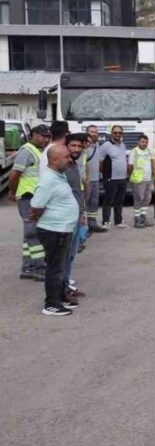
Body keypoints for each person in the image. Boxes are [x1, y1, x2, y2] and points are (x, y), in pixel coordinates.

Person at [29, 145, 81, 316]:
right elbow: (36, 205)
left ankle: (60, 297)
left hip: (62, 229)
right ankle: (51, 304)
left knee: (60, 266)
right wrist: (41, 214)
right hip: (54, 231)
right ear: (54, 160)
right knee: (55, 269)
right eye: (65, 157)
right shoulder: (48, 180)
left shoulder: (59, 175)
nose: (69, 159)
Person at [11, 124, 50, 280]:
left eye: (47, 136)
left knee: (29, 235)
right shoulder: (26, 151)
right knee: (33, 233)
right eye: (42, 136)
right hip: (28, 197)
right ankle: (39, 269)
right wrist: (12, 192)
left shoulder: (36, 151)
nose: (45, 139)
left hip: (34, 196)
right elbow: (14, 175)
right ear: (33, 134)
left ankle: (27, 268)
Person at [61, 133, 87, 304]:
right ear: (66, 146)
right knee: (63, 256)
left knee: (70, 255)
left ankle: (66, 286)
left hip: (76, 215)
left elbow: (78, 191)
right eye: (73, 146)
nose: (77, 149)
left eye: (79, 146)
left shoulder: (75, 165)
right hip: (64, 217)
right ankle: (61, 292)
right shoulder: (62, 166)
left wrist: (82, 212)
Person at [100, 125, 129, 228]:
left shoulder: (123, 145)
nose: (117, 134)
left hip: (122, 178)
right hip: (111, 178)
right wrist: (105, 174)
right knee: (108, 201)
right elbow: (101, 161)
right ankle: (106, 222)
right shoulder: (106, 146)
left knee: (119, 201)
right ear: (112, 133)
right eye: (115, 132)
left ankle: (118, 221)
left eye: (120, 133)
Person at [81, 125, 107, 233]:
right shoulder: (83, 147)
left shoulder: (97, 145)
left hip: (96, 179)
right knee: (83, 204)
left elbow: (100, 161)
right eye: (91, 131)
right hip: (85, 181)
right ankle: (82, 228)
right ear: (87, 133)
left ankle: (92, 224)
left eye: (96, 132)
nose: (94, 133)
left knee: (94, 203)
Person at [128, 134, 155, 228]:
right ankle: (137, 220)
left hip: (148, 179)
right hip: (139, 179)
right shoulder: (134, 151)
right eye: (143, 142)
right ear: (138, 142)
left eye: (146, 142)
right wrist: (132, 176)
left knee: (147, 199)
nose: (145, 144)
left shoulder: (148, 151)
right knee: (138, 199)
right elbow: (130, 166)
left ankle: (143, 218)